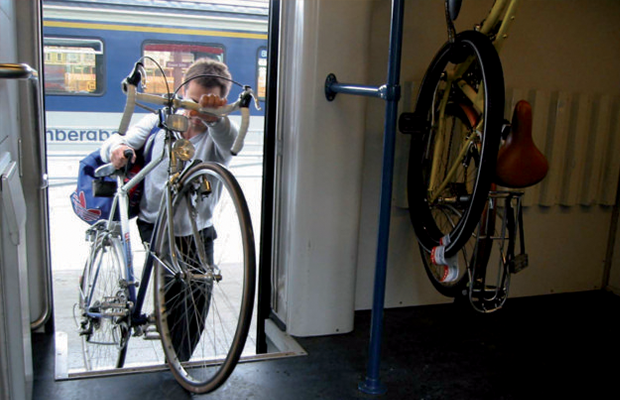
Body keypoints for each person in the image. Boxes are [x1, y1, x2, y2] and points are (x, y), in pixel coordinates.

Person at [100, 58, 238, 361]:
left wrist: (214, 118)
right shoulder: (159, 121)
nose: (195, 111)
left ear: (221, 102)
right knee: (173, 291)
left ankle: (178, 363)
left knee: (196, 300)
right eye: (192, 99)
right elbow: (118, 140)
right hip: (155, 223)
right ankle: (173, 356)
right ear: (182, 92)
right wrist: (117, 150)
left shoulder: (217, 136)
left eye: (206, 104)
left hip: (198, 230)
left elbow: (231, 141)